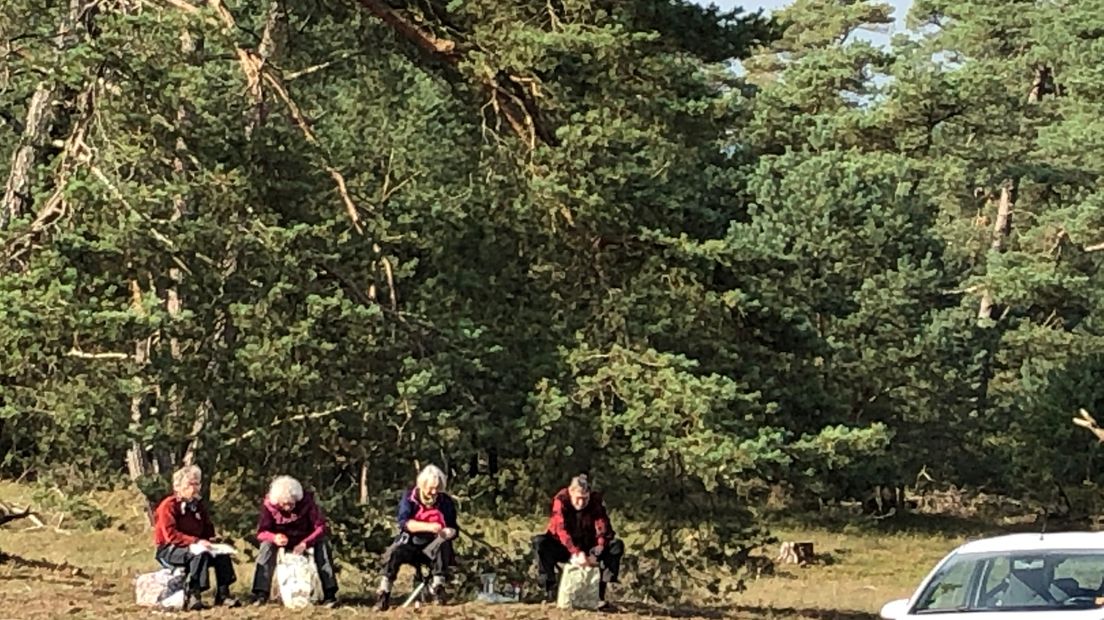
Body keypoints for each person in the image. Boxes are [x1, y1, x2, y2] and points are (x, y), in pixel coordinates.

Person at [152, 465, 240, 610]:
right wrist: (195, 541)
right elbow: (171, 535)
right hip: (170, 549)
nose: (194, 488)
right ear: (178, 486)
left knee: (222, 555)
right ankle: (194, 594)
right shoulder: (168, 506)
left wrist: (212, 540)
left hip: (196, 544)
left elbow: (206, 528)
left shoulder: (197, 505)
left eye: (196, 484)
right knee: (198, 555)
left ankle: (223, 594)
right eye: (189, 484)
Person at [533, 474, 624, 610]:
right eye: (578, 499)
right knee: (540, 543)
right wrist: (576, 553)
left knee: (616, 545)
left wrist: (597, 550)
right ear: (570, 492)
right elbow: (561, 529)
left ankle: (601, 592)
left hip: (589, 545)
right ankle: (549, 591)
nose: (581, 503)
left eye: (585, 499)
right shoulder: (561, 500)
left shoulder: (595, 501)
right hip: (564, 546)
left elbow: (602, 526)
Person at [374, 464, 459, 611]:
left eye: (437, 488)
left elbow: (454, 528)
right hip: (411, 543)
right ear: (422, 485)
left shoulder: (445, 502)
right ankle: (384, 592)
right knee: (395, 552)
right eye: (430, 488)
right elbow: (404, 523)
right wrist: (429, 526)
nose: (434, 492)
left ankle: (438, 588)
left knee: (443, 545)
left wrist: (448, 532)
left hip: (434, 545)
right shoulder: (409, 498)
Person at [249, 475, 339, 607]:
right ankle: (261, 593)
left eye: (290, 503)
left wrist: (305, 543)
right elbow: (261, 532)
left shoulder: (307, 502)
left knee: (323, 543)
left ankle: (330, 593)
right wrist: (274, 537)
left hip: (304, 539)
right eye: (283, 504)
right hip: (281, 540)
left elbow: (320, 527)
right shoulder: (269, 506)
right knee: (266, 546)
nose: (287, 507)